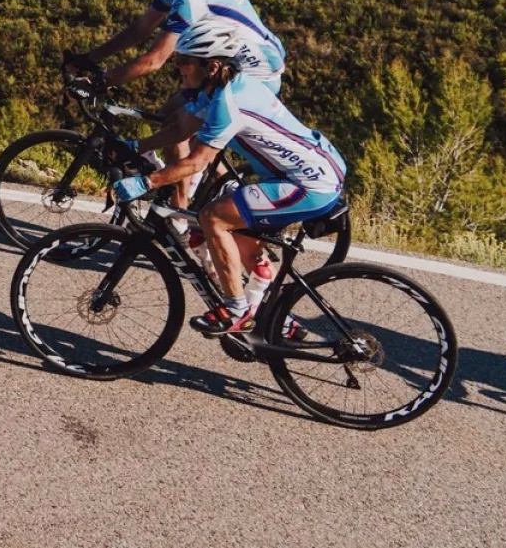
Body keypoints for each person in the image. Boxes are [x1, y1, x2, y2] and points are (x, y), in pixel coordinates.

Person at [109, 18, 347, 335]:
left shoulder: (228, 103)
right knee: (237, 233)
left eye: (185, 62)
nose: (179, 67)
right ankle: (277, 318)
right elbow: (182, 129)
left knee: (214, 217)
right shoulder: (221, 87)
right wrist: (136, 147)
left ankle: (236, 311)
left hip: (309, 184)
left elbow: (196, 163)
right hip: (315, 169)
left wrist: (145, 183)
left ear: (212, 66)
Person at [68, 0, 287, 205]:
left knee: (180, 126)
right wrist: (91, 58)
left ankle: (179, 212)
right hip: (232, 64)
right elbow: (140, 29)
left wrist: (101, 82)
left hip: (255, 73)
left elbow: (154, 60)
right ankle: (217, 185)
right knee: (168, 115)